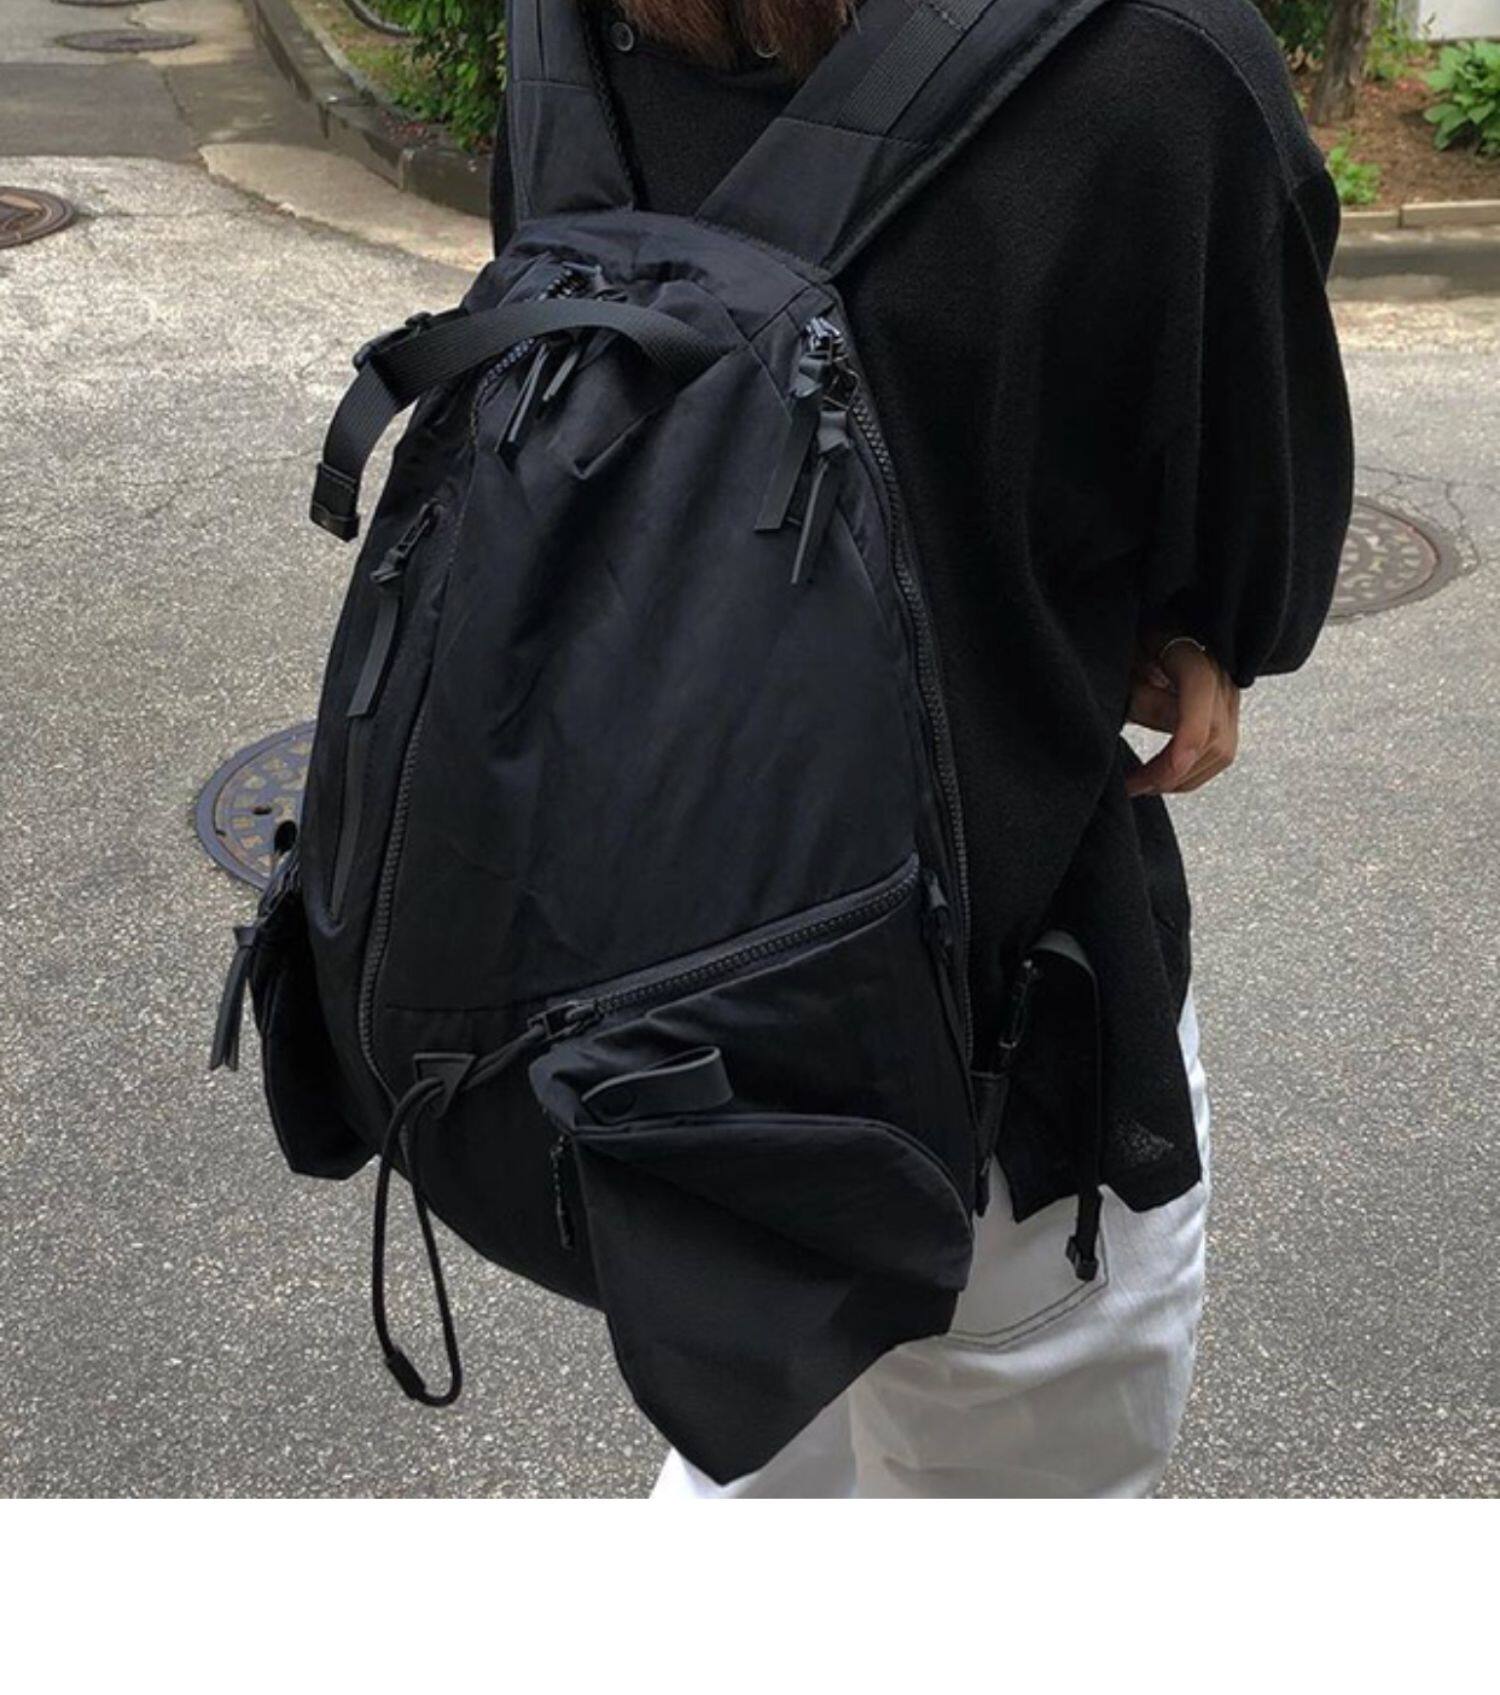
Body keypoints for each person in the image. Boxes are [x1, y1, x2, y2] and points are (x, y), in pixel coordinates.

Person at [488, 0, 1353, 1497]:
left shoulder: (568, 19)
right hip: (995, 1046)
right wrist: (1168, 624)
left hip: (648, 1015)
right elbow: (1251, 548)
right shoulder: (1155, 55)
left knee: (749, 1470)